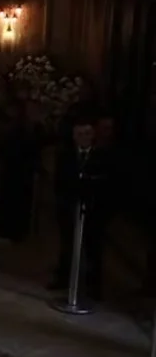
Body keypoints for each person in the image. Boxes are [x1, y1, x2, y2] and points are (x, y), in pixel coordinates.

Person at [49, 119, 113, 298]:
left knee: (93, 249)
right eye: (79, 134)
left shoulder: (102, 157)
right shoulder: (65, 156)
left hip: (93, 212)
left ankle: (94, 286)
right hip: (69, 209)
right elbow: (59, 182)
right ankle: (64, 279)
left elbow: (106, 184)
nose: (83, 138)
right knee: (67, 246)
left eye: (87, 134)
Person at [0, 101, 45, 243]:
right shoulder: (19, 128)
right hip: (15, 170)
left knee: (15, 202)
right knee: (14, 201)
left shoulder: (27, 129)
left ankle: (13, 232)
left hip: (19, 170)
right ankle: (13, 232)